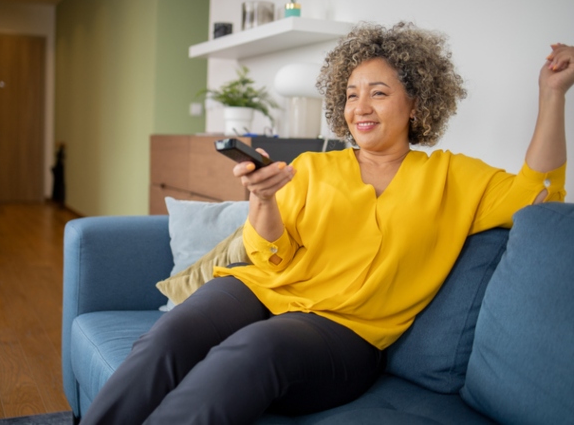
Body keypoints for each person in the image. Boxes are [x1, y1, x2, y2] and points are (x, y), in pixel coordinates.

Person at [81, 22, 573, 424]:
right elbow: (270, 256)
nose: (360, 107)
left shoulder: (453, 176)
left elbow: (540, 191)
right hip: (260, 287)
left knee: (255, 347)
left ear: (417, 104)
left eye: (378, 93)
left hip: (343, 332)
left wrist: (552, 95)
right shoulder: (314, 167)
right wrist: (262, 200)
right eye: (351, 94)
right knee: (168, 337)